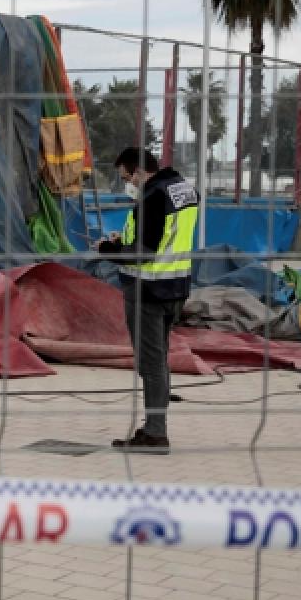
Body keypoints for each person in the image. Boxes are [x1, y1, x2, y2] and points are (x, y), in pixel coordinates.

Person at [98, 147, 198, 455]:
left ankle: (156, 433)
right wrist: (125, 241)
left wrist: (108, 250)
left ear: (138, 171)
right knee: (159, 360)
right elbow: (166, 238)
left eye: (125, 177)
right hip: (176, 288)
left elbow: (144, 253)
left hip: (148, 292)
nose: (127, 183)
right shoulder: (184, 190)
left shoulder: (152, 198)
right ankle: (154, 426)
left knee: (151, 363)